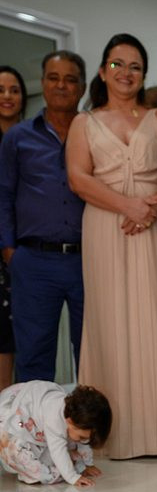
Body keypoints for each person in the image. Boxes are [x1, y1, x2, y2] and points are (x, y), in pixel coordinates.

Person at [67, 33, 157, 459]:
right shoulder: (84, 123)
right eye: (117, 64)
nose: (126, 72)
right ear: (103, 71)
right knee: (111, 320)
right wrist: (128, 206)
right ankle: (110, 434)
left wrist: (151, 208)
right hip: (106, 227)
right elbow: (78, 179)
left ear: (144, 74)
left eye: (135, 66)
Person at [0, 52, 87, 383]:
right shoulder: (18, 137)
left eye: (70, 79)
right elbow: (4, 195)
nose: (61, 85)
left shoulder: (93, 132)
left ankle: (89, 419)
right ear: (43, 83)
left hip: (87, 261)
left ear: (82, 87)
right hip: (33, 262)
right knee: (34, 358)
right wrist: (10, 250)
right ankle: (33, 420)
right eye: (53, 78)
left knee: (93, 355)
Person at [0, 380, 111, 486]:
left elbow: (84, 443)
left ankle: (62, 467)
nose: (83, 440)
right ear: (70, 421)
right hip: (9, 423)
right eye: (81, 437)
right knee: (19, 455)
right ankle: (48, 473)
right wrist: (72, 477)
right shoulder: (55, 418)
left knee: (70, 443)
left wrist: (88, 464)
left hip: (32, 416)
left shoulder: (75, 414)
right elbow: (58, 450)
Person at [0, 66, 27, 390]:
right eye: (1, 90)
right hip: (4, 249)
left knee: (24, 335)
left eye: (14, 90)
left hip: (28, 249)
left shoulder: (32, 138)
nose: (7, 96)